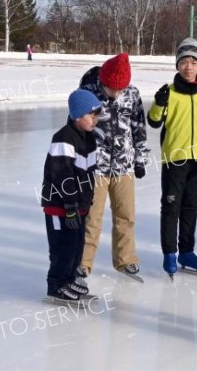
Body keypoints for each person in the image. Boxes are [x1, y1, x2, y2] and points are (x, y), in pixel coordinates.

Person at [147, 37, 197, 277]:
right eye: (183, 62)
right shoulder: (169, 93)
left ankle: (187, 252)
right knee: (171, 208)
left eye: (193, 62)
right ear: (177, 65)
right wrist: (158, 104)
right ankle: (169, 253)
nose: (188, 67)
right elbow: (154, 121)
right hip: (175, 160)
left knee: (191, 207)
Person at [77, 53, 149, 281]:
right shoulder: (88, 93)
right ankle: (83, 263)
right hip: (95, 167)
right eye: (112, 88)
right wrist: (77, 162)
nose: (116, 93)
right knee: (91, 217)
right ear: (103, 80)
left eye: (120, 89)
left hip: (124, 165)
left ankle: (126, 259)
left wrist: (140, 158)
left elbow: (138, 127)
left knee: (126, 216)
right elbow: (77, 129)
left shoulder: (132, 94)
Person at [40, 89, 101, 302]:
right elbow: (60, 174)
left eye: (97, 114)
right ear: (77, 116)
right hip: (60, 206)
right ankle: (56, 285)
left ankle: (69, 280)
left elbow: (88, 173)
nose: (95, 119)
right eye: (91, 114)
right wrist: (70, 205)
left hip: (79, 206)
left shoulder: (89, 138)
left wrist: (85, 202)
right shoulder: (63, 138)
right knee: (62, 248)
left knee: (76, 247)